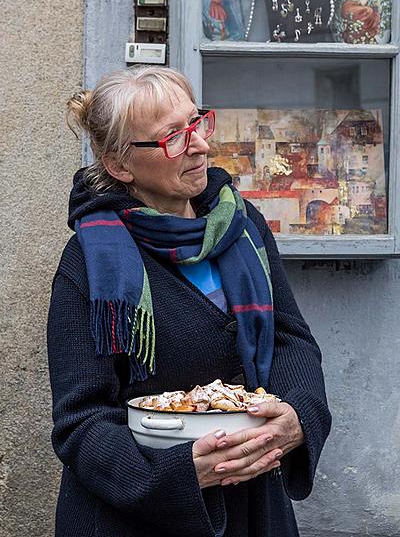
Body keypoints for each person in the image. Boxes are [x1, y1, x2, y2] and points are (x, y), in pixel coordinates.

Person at [47, 65, 331, 537]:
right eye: (172, 137)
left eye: (196, 123)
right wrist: (177, 473)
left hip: (254, 505)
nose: (199, 144)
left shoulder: (241, 225)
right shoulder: (92, 259)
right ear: (120, 165)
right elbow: (81, 423)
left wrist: (298, 416)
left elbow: (290, 340)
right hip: (137, 518)